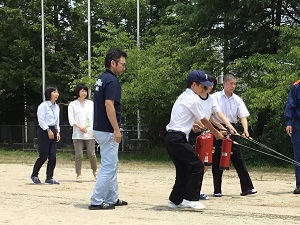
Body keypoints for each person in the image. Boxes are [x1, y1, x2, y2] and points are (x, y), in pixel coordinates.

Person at [165, 70, 224, 211]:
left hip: (171, 137)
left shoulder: (184, 96)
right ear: (194, 84)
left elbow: (181, 118)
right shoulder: (193, 99)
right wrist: (216, 133)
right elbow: (204, 119)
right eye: (202, 86)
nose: (204, 89)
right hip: (177, 139)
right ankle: (190, 199)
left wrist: (192, 125)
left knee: (183, 169)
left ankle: (175, 200)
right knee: (197, 165)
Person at [89, 47, 128, 210]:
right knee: (109, 165)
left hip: (99, 127)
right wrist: (116, 129)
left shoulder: (101, 78)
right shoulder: (112, 81)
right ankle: (96, 200)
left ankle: (112, 197)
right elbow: (109, 105)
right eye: (122, 64)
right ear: (113, 63)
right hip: (107, 129)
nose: (124, 68)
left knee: (112, 163)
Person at [189, 74, 237, 200]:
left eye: (212, 84)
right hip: (195, 133)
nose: (210, 86)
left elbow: (215, 116)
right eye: (208, 84)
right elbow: (199, 118)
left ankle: (196, 188)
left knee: (206, 163)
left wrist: (227, 127)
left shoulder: (211, 99)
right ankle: (191, 190)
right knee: (196, 163)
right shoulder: (194, 98)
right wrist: (211, 129)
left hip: (207, 133)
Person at [211, 73, 256, 197]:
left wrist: (245, 130)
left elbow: (242, 116)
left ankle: (247, 188)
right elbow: (209, 116)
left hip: (233, 128)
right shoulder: (215, 97)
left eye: (235, 84)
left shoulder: (237, 99)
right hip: (218, 128)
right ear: (224, 83)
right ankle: (217, 190)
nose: (233, 86)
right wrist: (220, 128)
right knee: (217, 159)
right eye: (231, 83)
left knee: (238, 158)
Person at [31, 86, 61, 185]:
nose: (56, 94)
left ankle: (49, 177)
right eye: (54, 92)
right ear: (49, 94)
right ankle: (34, 175)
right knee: (43, 155)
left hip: (53, 129)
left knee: (53, 156)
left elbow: (57, 122)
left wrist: (58, 132)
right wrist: (48, 130)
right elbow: (41, 120)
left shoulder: (57, 107)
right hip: (44, 130)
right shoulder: (43, 106)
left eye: (57, 92)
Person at [68, 83, 97, 183]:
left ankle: (95, 171)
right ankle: (78, 173)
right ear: (78, 92)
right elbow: (71, 119)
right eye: (82, 91)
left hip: (90, 132)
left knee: (91, 154)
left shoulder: (91, 103)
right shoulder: (72, 104)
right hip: (77, 133)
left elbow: (94, 117)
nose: (84, 93)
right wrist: (79, 126)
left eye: (85, 91)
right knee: (79, 154)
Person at [284, 79, 300, 194]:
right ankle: (299, 185)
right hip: (298, 124)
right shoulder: (296, 86)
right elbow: (290, 104)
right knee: (298, 155)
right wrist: (288, 122)